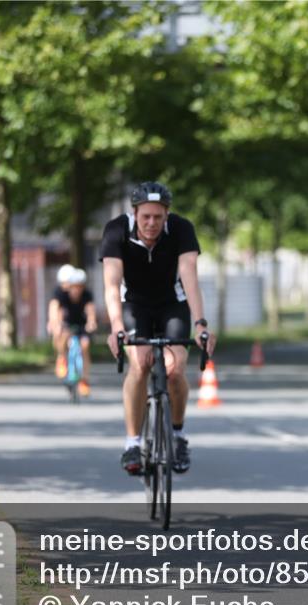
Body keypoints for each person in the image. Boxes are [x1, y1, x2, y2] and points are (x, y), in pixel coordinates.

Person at [100, 181, 216, 476]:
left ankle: (177, 435)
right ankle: (132, 442)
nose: (151, 223)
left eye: (158, 217)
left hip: (171, 304)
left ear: (167, 215)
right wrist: (116, 327)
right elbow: (111, 284)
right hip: (133, 304)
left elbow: (189, 274)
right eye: (145, 217)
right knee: (140, 364)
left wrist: (200, 323)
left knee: (175, 368)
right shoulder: (116, 230)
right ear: (134, 213)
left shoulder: (181, 229)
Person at [55, 268, 98, 395]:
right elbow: (59, 311)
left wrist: (91, 322)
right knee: (63, 337)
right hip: (68, 324)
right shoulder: (63, 295)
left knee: (85, 345)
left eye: (79, 286)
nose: (76, 289)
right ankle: (62, 358)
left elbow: (90, 310)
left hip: (82, 326)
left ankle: (84, 379)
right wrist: (58, 324)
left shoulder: (87, 295)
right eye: (74, 286)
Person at [48, 263, 76, 380]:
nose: (66, 286)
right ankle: (61, 357)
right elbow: (54, 307)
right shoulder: (58, 292)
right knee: (59, 334)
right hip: (64, 320)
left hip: (77, 320)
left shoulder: (79, 291)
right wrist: (54, 323)